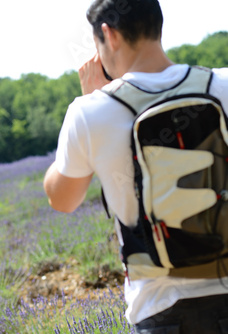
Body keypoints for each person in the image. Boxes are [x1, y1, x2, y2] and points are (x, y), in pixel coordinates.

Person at [44, 0, 228, 332]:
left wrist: (91, 99)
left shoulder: (89, 112)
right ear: (158, 24)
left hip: (162, 308)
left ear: (108, 35)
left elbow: (62, 199)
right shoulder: (223, 85)